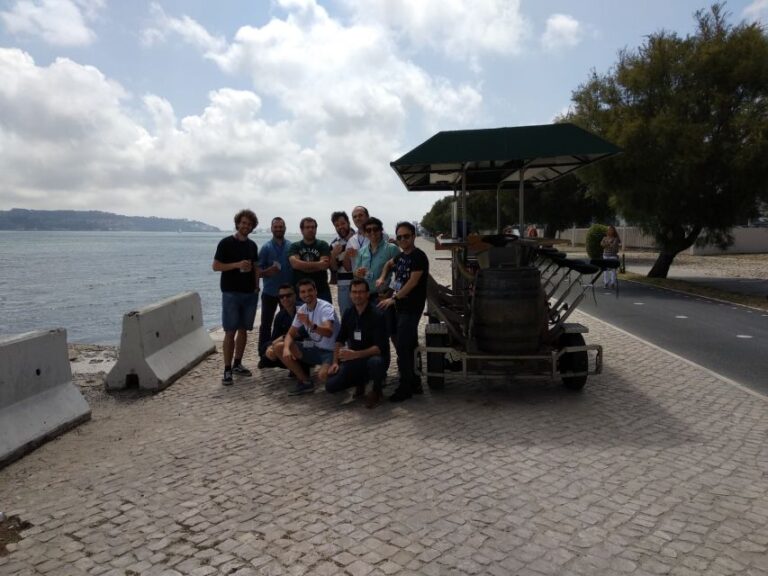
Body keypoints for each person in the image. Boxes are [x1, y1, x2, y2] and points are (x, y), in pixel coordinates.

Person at [376, 221, 429, 402]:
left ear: (413, 236)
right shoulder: (400, 257)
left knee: (405, 347)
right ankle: (415, 382)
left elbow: (413, 283)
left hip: (411, 308)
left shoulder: (418, 256)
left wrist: (394, 298)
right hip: (398, 307)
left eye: (406, 236)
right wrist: (382, 277)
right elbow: (387, 265)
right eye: (399, 237)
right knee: (407, 344)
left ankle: (405, 388)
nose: (403, 239)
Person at [212, 209, 260, 386]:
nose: (246, 226)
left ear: (252, 227)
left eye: (249, 224)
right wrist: (236, 265)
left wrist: (256, 287)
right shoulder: (226, 243)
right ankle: (226, 369)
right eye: (243, 223)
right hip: (231, 293)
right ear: (238, 223)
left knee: (243, 330)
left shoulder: (252, 246)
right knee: (230, 331)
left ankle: (238, 363)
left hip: (249, 293)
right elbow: (216, 266)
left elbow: (256, 267)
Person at [326, 279, 390, 408]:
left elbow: (379, 348)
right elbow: (339, 339)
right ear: (350, 294)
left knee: (375, 363)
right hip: (355, 359)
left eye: (361, 292)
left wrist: (355, 354)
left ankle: (376, 390)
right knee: (331, 386)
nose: (357, 295)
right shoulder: (348, 313)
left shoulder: (377, 315)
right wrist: (334, 362)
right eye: (354, 292)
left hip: (374, 357)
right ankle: (360, 382)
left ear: (367, 294)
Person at [274, 279, 339, 395]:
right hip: (315, 348)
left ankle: (340, 366)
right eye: (303, 292)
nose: (307, 294)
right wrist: (286, 349)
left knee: (324, 377)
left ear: (316, 291)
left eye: (310, 290)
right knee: (279, 346)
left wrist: (310, 324)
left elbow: (328, 331)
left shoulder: (325, 308)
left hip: (331, 351)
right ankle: (306, 382)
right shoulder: (303, 309)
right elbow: (290, 334)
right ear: (299, 294)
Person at [257, 217, 293, 365]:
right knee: (266, 324)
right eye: (276, 227)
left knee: (290, 324)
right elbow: (257, 271)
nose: (278, 229)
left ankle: (290, 355)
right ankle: (263, 355)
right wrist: (268, 271)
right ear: (271, 229)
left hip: (288, 293)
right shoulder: (266, 248)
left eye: (281, 227)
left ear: (285, 228)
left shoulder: (291, 247)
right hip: (270, 292)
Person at [353, 216, 400, 304]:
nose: (372, 232)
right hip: (365, 297)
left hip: (383, 296)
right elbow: (355, 273)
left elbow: (400, 275)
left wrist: (391, 293)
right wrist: (358, 273)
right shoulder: (362, 251)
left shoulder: (392, 249)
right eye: (368, 230)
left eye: (375, 229)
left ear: (381, 230)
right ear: (365, 233)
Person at [288, 217, 332, 303]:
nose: (310, 229)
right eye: (307, 227)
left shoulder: (322, 244)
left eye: (313, 227)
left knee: (326, 315)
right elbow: (295, 264)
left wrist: (302, 266)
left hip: (321, 290)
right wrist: (318, 264)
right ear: (302, 230)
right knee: (303, 316)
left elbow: (324, 265)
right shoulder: (295, 246)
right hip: (301, 293)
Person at [263, 283, 301, 368]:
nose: (285, 298)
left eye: (288, 295)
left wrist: (284, 338)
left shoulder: (303, 310)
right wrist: (269, 347)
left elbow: (302, 335)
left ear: (295, 295)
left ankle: (302, 372)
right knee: (266, 358)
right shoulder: (280, 316)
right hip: (290, 344)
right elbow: (274, 338)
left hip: (307, 345)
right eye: (281, 296)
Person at [329, 211, 355, 316]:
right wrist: (333, 255)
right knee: (346, 316)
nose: (340, 227)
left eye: (343, 223)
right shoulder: (335, 244)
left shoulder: (360, 238)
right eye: (337, 225)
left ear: (348, 223)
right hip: (343, 284)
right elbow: (334, 268)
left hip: (362, 282)